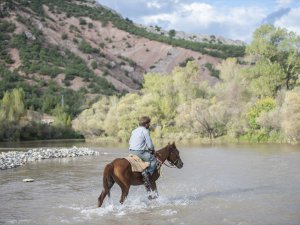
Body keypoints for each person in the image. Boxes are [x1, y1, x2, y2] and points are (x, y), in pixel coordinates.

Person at [129, 116, 157, 192]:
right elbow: (150, 145)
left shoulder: (134, 130)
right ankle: (147, 175)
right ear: (146, 124)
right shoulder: (145, 131)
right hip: (139, 152)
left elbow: (130, 142)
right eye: (149, 123)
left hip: (131, 151)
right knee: (154, 160)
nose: (149, 125)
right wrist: (153, 151)